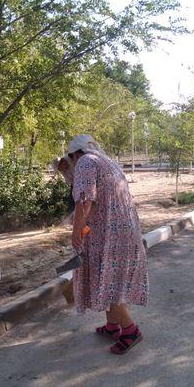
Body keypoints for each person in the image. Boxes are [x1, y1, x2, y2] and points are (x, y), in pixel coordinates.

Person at [67, 134, 148, 354]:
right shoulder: (106, 160)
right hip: (125, 230)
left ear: (75, 154)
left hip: (110, 235)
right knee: (108, 277)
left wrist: (76, 231)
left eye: (71, 159)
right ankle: (112, 326)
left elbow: (85, 200)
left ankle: (130, 331)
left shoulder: (85, 162)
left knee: (109, 281)